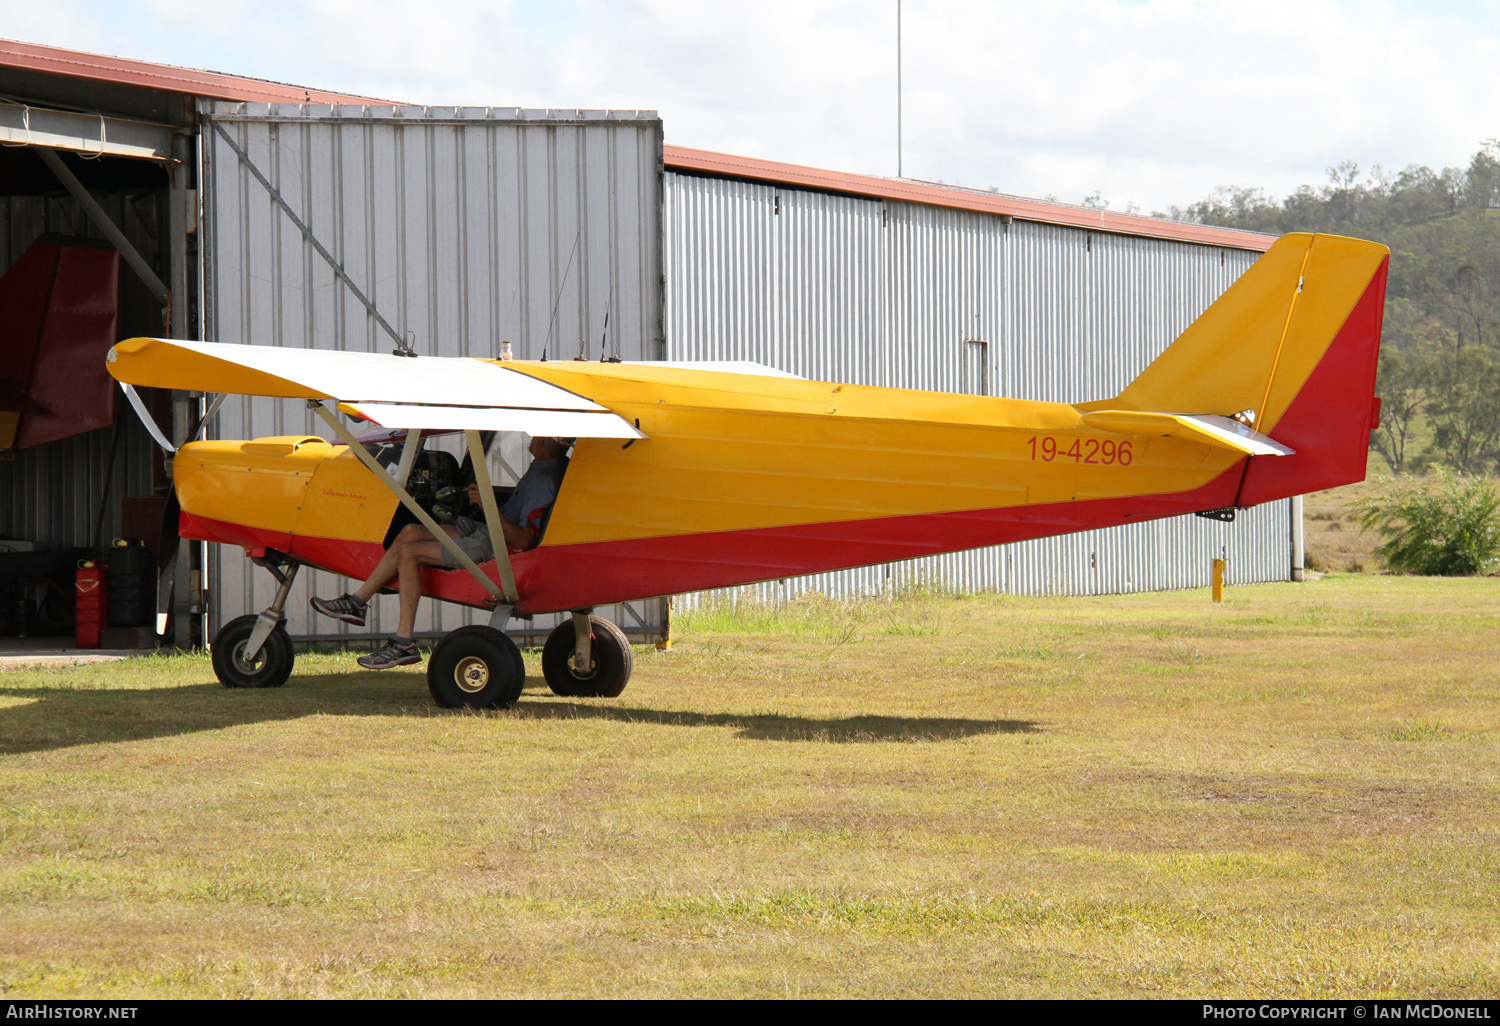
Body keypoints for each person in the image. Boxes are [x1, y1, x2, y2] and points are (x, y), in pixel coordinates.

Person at [310, 435, 571, 669]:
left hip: (495, 544)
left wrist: (488, 505)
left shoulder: (543, 480)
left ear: (542, 443)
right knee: (410, 531)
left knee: (410, 553)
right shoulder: (547, 470)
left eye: (539, 434)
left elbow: (524, 539)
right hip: (487, 531)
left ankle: (403, 643)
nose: (534, 436)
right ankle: (357, 603)